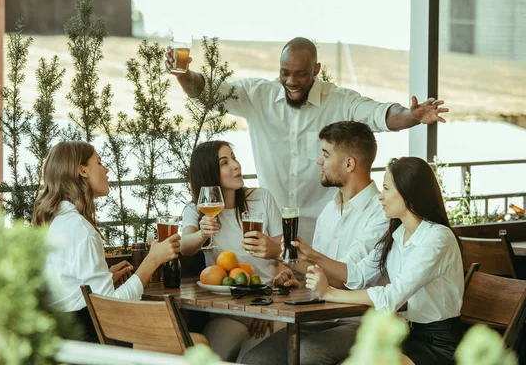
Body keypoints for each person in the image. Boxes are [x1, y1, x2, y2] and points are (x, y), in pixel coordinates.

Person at [166, 37, 449, 243]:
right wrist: (183, 74)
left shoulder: (338, 100)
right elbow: (210, 92)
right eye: (285, 73)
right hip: (271, 238)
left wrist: (412, 116)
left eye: (300, 74)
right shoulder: (258, 96)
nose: (291, 81)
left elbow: (380, 114)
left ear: (315, 69)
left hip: (323, 235)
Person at [242, 121, 389, 365]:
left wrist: (281, 254)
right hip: (319, 317)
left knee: (306, 356)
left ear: (349, 163)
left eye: (325, 154)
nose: (319, 161)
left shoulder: (381, 214)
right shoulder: (330, 209)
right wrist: (296, 277)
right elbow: (320, 272)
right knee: (254, 360)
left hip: (362, 321)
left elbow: (345, 279)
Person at [304, 157, 464, 365]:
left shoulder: (438, 238)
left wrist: (330, 293)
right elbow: (358, 274)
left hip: (440, 345)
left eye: (386, 189)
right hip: (406, 336)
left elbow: (392, 296)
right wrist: (307, 256)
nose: (380, 197)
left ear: (409, 193)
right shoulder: (397, 235)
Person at [33, 141, 188, 343]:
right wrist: (153, 260)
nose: (106, 170)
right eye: (99, 162)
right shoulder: (80, 229)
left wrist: (105, 278)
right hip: (95, 348)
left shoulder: (56, 222)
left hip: (66, 343)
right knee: (198, 343)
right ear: (83, 170)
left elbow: (68, 288)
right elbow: (112, 309)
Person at [181, 140, 284, 362]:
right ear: (209, 172)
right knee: (206, 360)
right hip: (227, 311)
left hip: (266, 307)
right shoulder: (196, 209)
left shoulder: (261, 198)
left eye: (234, 158)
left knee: (249, 360)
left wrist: (271, 306)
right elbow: (185, 247)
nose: (236, 165)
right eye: (224, 162)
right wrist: (202, 234)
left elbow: (283, 256)